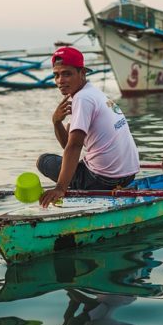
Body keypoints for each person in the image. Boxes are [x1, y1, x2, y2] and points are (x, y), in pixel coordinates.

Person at [37, 46, 140, 207]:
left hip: (104, 180)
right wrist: (57, 122)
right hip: (129, 175)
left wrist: (60, 188)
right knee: (70, 160)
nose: (60, 81)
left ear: (82, 73)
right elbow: (68, 145)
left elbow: (74, 146)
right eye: (56, 75)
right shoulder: (93, 92)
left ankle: (73, 187)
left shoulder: (82, 99)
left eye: (67, 74)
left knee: (44, 161)